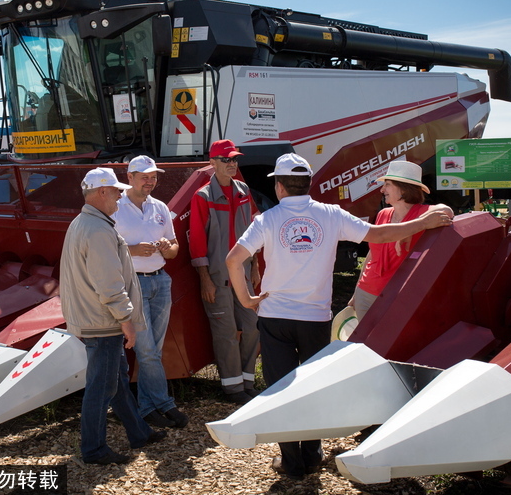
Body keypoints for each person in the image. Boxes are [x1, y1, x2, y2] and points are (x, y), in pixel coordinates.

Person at [225, 153, 453, 480]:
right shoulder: (332, 215)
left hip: (275, 317)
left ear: (278, 186)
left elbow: (234, 260)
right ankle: (313, 452)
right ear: (309, 184)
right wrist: (421, 223)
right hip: (316, 318)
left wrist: (247, 300)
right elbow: (379, 235)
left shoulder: (267, 219)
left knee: (280, 390)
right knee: (314, 386)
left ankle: (292, 462)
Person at [59, 167, 166, 466]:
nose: (120, 197)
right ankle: (93, 449)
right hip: (103, 322)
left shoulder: (83, 224)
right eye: (117, 191)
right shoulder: (98, 230)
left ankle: (139, 432)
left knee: (115, 381)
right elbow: (109, 283)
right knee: (101, 386)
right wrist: (125, 319)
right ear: (102, 192)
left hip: (94, 318)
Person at [113, 155, 189, 430]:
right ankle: (164, 404)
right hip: (132, 283)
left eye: (153, 176)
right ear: (129, 177)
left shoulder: (159, 207)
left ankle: (147, 408)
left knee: (152, 350)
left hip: (160, 279)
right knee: (147, 350)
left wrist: (169, 247)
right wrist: (132, 250)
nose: (150, 180)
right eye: (144, 176)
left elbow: (175, 247)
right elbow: (103, 246)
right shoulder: (115, 207)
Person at [188, 139, 261, 404]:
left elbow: (254, 231)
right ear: (213, 163)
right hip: (218, 278)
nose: (232, 164)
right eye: (226, 160)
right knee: (226, 332)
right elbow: (196, 242)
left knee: (253, 325)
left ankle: (247, 381)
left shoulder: (243, 190)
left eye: (234, 159)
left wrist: (254, 266)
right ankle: (232, 389)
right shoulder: (203, 197)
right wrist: (204, 279)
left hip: (242, 275)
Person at [349, 160, 454, 319]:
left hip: (397, 296)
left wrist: (410, 228)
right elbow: (372, 254)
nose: (382, 189)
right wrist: (357, 290)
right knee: (364, 343)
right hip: (366, 292)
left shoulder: (423, 213)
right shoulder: (383, 214)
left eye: (388, 184)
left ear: (403, 189)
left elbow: (447, 210)